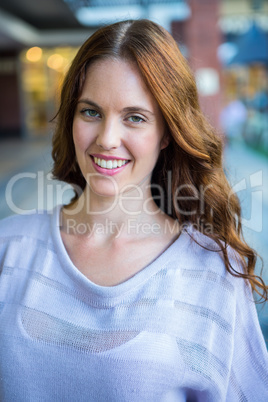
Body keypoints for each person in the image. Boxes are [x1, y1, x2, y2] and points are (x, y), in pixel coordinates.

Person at [0, 19, 268, 401]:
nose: (107, 139)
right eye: (90, 112)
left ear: (166, 134)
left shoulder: (214, 274)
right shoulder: (8, 248)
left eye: (135, 117)